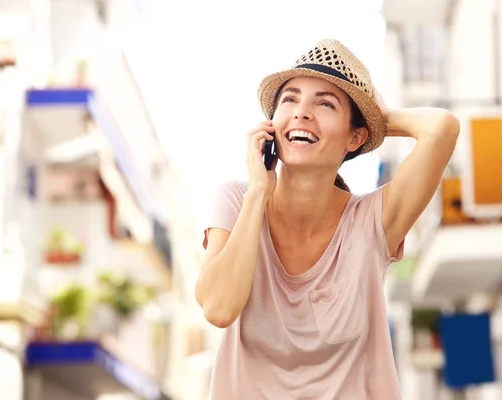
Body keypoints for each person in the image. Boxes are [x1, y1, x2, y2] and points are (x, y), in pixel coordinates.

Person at [195, 39, 460, 399]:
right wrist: (258, 194)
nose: (302, 112)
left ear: (355, 138)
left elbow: (441, 129)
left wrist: (376, 118)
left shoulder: (372, 222)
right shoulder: (236, 200)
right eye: (290, 99)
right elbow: (218, 308)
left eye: (324, 103)